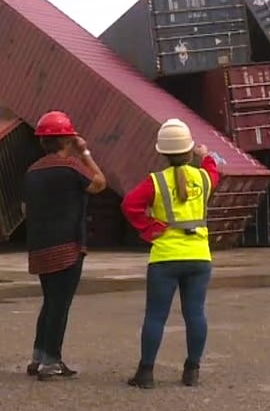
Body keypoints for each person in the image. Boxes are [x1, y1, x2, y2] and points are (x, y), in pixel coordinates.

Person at [120, 118, 221, 389]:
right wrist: (205, 156)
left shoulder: (156, 182)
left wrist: (150, 227)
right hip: (199, 256)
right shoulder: (203, 178)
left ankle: (145, 373)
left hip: (165, 257)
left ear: (163, 153)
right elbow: (214, 171)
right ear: (189, 150)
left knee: (155, 316)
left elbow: (129, 204)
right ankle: (192, 371)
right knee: (195, 314)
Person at [22, 110, 106, 381]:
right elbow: (99, 183)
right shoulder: (71, 167)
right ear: (67, 139)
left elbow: (25, 209)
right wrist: (85, 152)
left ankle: (38, 357)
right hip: (67, 247)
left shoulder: (33, 171)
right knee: (60, 306)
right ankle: (51, 362)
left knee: (49, 302)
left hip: (39, 247)